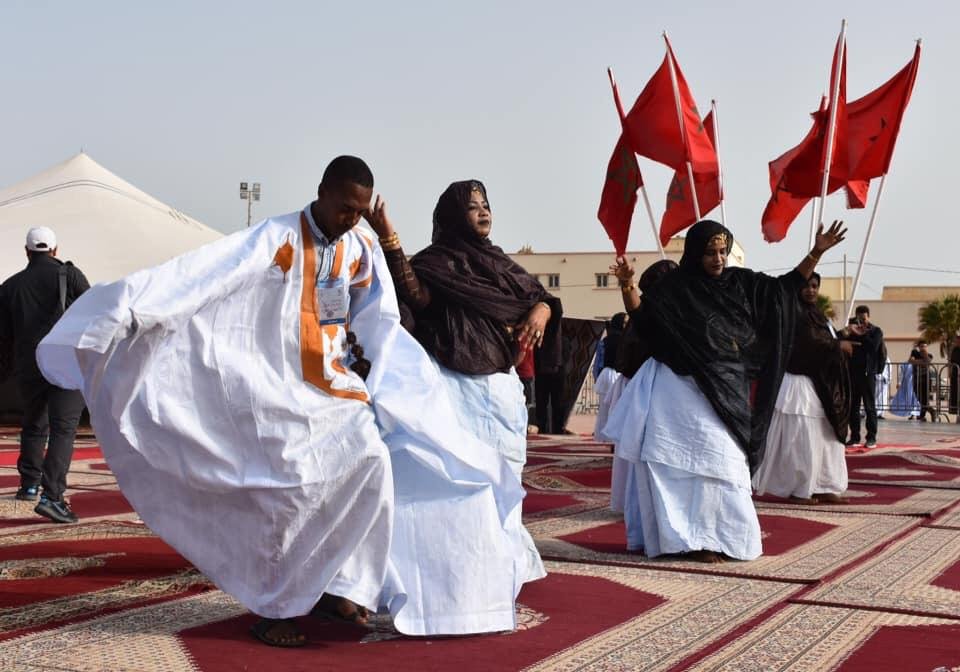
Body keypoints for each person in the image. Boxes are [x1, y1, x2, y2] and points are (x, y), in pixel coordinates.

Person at [36, 156, 398, 648]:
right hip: (273, 388)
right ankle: (274, 605)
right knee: (287, 492)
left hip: (336, 392)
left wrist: (387, 369)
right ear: (322, 192)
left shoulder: (361, 245)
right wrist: (136, 310)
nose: (351, 219)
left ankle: (341, 585)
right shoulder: (276, 238)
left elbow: (381, 315)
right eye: (343, 209)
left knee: (373, 463)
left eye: (359, 212)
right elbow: (204, 276)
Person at [366, 179, 561, 634]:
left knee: (505, 483)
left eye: (486, 204)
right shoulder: (436, 264)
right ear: (454, 216)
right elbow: (414, 295)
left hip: (501, 390)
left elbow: (538, 296)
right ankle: (466, 581)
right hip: (455, 387)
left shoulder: (501, 265)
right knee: (467, 488)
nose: (482, 211)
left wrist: (543, 311)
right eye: (472, 206)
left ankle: (503, 568)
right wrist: (389, 239)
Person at [603, 219, 846, 563]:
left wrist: (817, 252)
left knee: (726, 465)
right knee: (683, 468)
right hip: (678, 392)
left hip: (726, 390)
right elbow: (643, 318)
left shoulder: (741, 284)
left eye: (722, 251)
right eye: (710, 252)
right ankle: (688, 540)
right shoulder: (676, 288)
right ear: (694, 253)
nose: (718, 259)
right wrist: (627, 283)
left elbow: (784, 289)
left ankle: (723, 538)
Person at [0, 227, 89, 524]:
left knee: (34, 424)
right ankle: (52, 497)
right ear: (55, 250)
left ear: (26, 251)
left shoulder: (10, 286)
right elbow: (93, 314)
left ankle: (28, 485)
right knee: (63, 429)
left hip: (29, 366)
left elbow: (4, 336)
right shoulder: (70, 275)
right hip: (63, 362)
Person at [752, 272, 851, 504]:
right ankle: (798, 489)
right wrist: (837, 346)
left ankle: (823, 485)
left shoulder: (816, 314)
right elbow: (807, 342)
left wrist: (841, 339)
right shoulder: (791, 312)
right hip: (798, 384)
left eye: (815, 286)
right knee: (801, 440)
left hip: (819, 386)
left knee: (826, 438)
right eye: (806, 286)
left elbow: (822, 337)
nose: (811, 290)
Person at [842, 305, 885, 448]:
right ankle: (854, 436)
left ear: (869, 317)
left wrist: (863, 334)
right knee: (853, 406)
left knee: (869, 406)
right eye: (859, 318)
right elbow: (837, 338)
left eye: (864, 318)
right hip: (853, 373)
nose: (862, 322)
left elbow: (873, 347)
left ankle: (871, 437)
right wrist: (848, 330)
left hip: (868, 374)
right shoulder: (852, 329)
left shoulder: (876, 331)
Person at [594, 312, 628, 441]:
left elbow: (598, 363)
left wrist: (598, 378)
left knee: (604, 407)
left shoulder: (605, 341)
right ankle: (614, 435)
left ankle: (603, 435)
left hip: (606, 375)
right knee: (617, 408)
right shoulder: (625, 340)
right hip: (617, 376)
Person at [909, 339, 935, 422]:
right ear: (918, 347)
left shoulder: (929, 355)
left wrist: (924, 355)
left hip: (926, 378)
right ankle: (929, 411)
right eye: (921, 346)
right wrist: (921, 362)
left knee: (925, 397)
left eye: (924, 346)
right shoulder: (914, 352)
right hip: (917, 378)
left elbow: (927, 361)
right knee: (919, 397)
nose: (923, 348)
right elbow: (911, 361)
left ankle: (924, 414)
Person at [876, 356, 891, 420]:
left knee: (882, 397)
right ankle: (875, 412)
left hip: (884, 379)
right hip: (875, 378)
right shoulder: (873, 356)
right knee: (875, 396)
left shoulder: (886, 358)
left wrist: (888, 378)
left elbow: (889, 369)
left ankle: (880, 413)